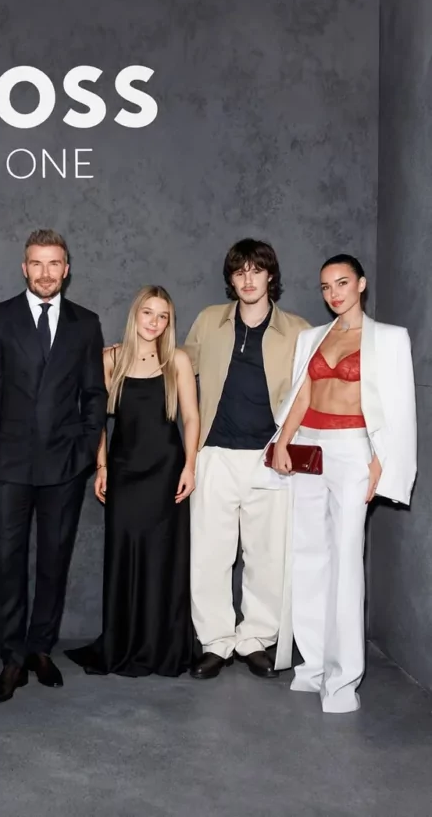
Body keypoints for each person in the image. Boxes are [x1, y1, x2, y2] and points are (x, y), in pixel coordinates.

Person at [0, 229, 107, 704]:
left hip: (64, 464)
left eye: (54, 263)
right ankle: (12, 658)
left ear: (66, 269)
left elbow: (94, 393)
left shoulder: (85, 323)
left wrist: (85, 451)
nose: (46, 272)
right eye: (37, 263)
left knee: (53, 560)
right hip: (8, 464)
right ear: (24, 267)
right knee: (7, 562)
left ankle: (40, 648)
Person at [271, 255, 416, 713]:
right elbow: (302, 395)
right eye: (325, 286)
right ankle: (314, 664)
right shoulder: (312, 337)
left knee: (347, 562)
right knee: (308, 556)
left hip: (353, 451)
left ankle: (342, 680)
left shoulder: (389, 338)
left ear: (361, 284)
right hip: (309, 448)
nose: (333, 293)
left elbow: (400, 408)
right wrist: (283, 441)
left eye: (342, 283)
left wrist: (380, 463)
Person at [183, 238, 311, 680]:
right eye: (240, 272)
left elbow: (310, 393)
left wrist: (290, 446)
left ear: (270, 276)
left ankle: (256, 640)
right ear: (231, 280)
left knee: (267, 556)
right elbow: (179, 368)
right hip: (214, 453)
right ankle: (215, 642)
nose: (248, 279)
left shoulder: (297, 330)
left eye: (257, 271)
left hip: (269, 456)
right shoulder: (208, 321)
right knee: (209, 554)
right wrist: (128, 354)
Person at [65, 286, 199, 677]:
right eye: (148, 313)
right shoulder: (110, 359)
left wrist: (190, 467)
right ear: (135, 314)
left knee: (162, 558)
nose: (154, 322)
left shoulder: (177, 359)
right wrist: (102, 466)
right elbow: (96, 421)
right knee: (124, 556)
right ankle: (123, 643)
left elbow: (191, 417)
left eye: (162, 316)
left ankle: (162, 646)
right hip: (124, 472)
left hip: (166, 471)